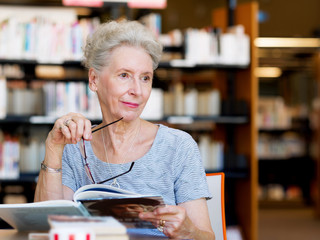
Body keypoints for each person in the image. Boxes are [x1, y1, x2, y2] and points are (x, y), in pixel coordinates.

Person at [34, 20, 214, 240]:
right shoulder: (73, 146)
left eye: (145, 78)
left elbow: (206, 237)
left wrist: (189, 232)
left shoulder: (178, 147)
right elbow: (46, 229)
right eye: (124, 75)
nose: (137, 90)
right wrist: (54, 148)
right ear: (94, 79)